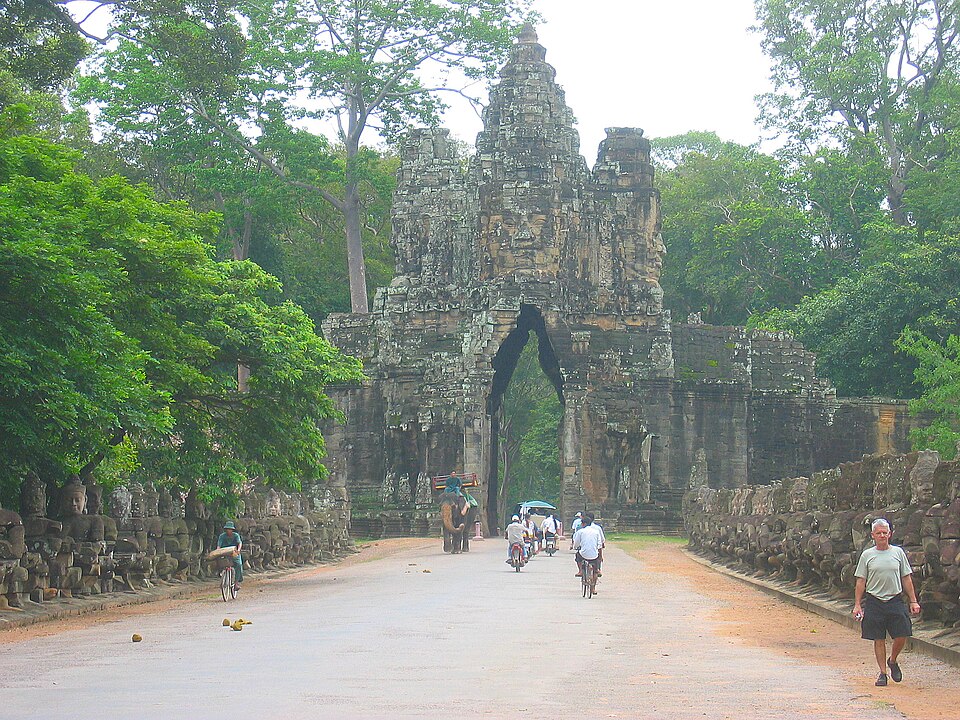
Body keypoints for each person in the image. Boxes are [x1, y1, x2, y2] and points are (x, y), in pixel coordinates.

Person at [852, 518, 921, 687]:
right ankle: (882, 673)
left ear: (890, 534)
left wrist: (913, 600)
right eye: (879, 533)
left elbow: (906, 578)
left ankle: (893, 659)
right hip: (875, 600)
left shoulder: (898, 553)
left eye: (885, 533)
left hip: (895, 599)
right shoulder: (867, 555)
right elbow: (861, 581)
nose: (882, 535)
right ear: (873, 535)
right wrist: (857, 604)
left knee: (902, 633)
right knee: (878, 638)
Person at [572, 512, 604, 590]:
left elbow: (576, 543)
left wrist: (575, 547)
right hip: (594, 555)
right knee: (595, 571)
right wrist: (600, 555)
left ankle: (580, 571)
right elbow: (600, 545)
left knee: (577, 556)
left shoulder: (580, 532)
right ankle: (593, 588)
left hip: (583, 554)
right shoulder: (596, 531)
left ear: (583, 524)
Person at [217, 521, 244, 591]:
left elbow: (239, 543)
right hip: (225, 552)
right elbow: (219, 545)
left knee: (239, 564)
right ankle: (220, 574)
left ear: (232, 530)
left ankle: (236, 582)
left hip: (234, 552)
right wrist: (218, 551)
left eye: (230, 529)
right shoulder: (222, 536)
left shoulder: (236, 535)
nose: (228, 531)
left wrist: (238, 550)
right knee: (219, 561)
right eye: (227, 529)